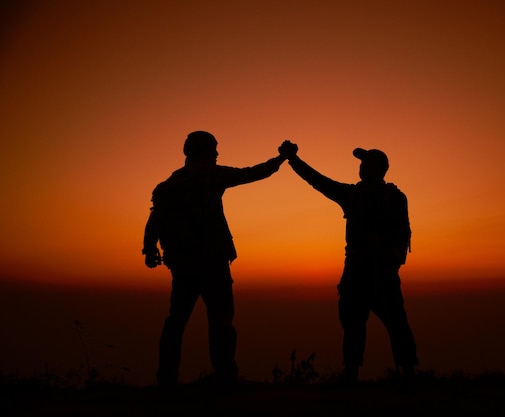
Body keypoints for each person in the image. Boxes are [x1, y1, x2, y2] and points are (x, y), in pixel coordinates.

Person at [143, 131, 288, 388]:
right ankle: (224, 376)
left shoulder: (169, 184)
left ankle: (166, 378)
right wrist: (281, 159)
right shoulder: (212, 175)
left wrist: (149, 248)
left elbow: (155, 218)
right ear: (205, 151)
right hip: (212, 262)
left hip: (182, 264)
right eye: (214, 149)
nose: (218, 154)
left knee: (176, 321)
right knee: (221, 321)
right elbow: (252, 173)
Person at [278, 140, 418, 385]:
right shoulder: (354, 194)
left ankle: (406, 371)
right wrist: (294, 160)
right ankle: (354, 371)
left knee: (394, 321)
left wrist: (388, 253)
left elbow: (402, 232)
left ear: (379, 168)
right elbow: (318, 181)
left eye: (366, 164)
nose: (361, 168)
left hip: (379, 270)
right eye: (361, 164)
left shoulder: (392, 197)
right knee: (356, 323)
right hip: (358, 271)